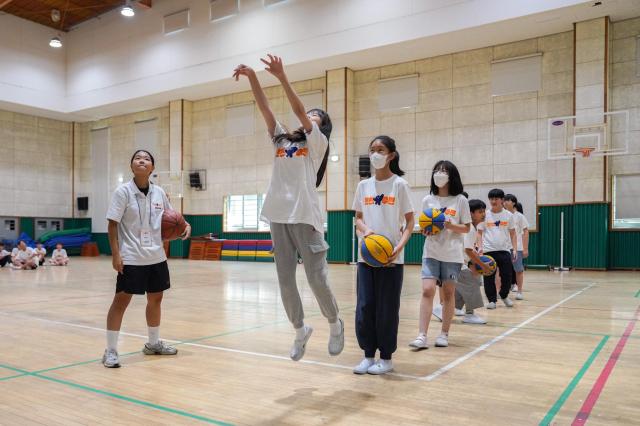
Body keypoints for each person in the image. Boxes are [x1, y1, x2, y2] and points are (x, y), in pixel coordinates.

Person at [233, 55, 344, 361]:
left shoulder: (318, 143)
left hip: (305, 216)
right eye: (308, 114)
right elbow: (265, 108)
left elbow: (296, 107)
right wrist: (253, 76)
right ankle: (300, 330)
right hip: (278, 216)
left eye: (314, 115)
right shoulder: (281, 139)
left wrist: (282, 76)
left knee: (315, 278)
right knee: (284, 279)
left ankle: (335, 323)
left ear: (322, 125)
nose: (307, 115)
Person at [102, 149, 191, 368]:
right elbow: (112, 224)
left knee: (156, 299)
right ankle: (111, 350)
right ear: (131, 165)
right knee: (121, 302)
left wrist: (185, 225)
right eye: (137, 158)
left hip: (157, 257)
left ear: (152, 168)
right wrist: (116, 254)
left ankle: (153, 344)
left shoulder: (160, 192)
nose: (142, 160)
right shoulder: (122, 192)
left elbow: (173, 218)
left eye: (147, 159)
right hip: (131, 257)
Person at [352, 135, 414, 375]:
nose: (375, 154)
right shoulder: (362, 186)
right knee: (365, 307)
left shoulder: (400, 185)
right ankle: (368, 355)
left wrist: (399, 247)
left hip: (391, 258)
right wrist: (366, 231)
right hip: (366, 257)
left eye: (380, 149)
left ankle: (386, 358)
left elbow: (409, 222)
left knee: (387, 309)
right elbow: (357, 218)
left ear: (391, 155)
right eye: (372, 150)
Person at [410, 161, 471, 349]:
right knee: (427, 290)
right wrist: (426, 230)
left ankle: (444, 333)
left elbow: (467, 228)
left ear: (451, 176)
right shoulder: (428, 199)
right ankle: (422, 335)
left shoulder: (460, 200)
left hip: (452, 254)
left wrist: (450, 225)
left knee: (448, 293)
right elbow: (423, 226)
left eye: (443, 171)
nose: (439, 173)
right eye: (436, 170)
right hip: (431, 252)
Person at [478, 189, 518, 309]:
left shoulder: (509, 215)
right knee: (488, 277)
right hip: (488, 251)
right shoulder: (484, 215)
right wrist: (480, 247)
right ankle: (492, 300)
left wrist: (514, 249)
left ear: (502, 200)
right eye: (491, 199)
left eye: (496, 199)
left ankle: (504, 295)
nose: (493, 201)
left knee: (507, 276)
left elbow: (513, 233)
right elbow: (479, 232)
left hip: (504, 250)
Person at [504, 197, 529, 300]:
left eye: (507, 200)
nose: (504, 202)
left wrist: (525, 248)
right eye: (504, 200)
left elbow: (526, 232)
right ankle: (502, 291)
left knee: (518, 270)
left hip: (517, 247)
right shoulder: (503, 215)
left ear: (513, 202)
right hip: (504, 247)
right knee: (503, 270)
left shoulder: (519, 216)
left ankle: (519, 291)